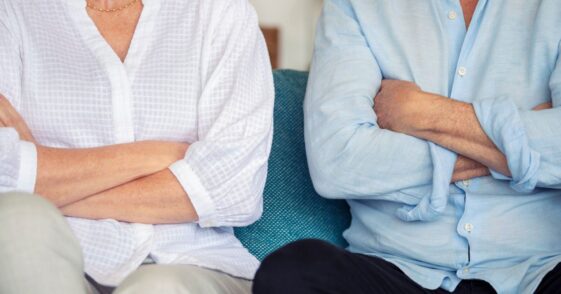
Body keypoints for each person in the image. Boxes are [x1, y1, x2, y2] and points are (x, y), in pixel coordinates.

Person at [253, 0, 561, 293]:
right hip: (397, 267)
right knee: (291, 273)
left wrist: (421, 112)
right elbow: (336, 159)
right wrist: (517, 143)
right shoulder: (356, 6)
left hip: (539, 269)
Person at [0, 0, 274, 293]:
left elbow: (235, 190)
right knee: (17, 218)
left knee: (159, 287)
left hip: (190, 262)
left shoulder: (219, 11)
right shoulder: (11, 12)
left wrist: (44, 181)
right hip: (52, 260)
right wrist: (155, 156)